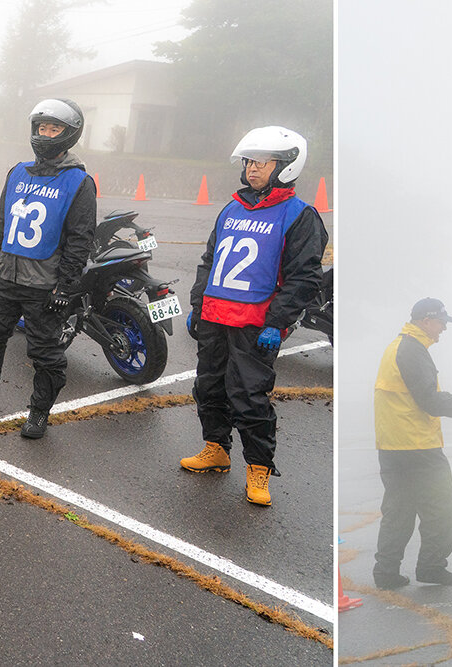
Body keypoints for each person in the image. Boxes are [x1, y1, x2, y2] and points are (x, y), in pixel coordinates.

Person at [178, 126, 329, 506]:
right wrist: (198, 304)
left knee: (249, 398)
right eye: (249, 162)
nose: (252, 169)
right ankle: (215, 449)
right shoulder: (232, 208)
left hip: (254, 325)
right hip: (215, 316)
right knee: (209, 388)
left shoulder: (299, 216)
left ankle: (259, 469)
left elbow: (304, 276)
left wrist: (278, 322)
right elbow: (210, 260)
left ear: (287, 166)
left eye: (261, 162)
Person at [0, 99, 97, 441]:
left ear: (69, 134)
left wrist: (65, 287)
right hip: (6, 275)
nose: (46, 134)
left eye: (54, 129)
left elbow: (81, 239)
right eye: (42, 128)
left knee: (45, 352)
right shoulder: (17, 172)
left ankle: (39, 411)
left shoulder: (79, 182)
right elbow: (1, 222)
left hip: (44, 283)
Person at [372, 298, 452, 588]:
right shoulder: (412, 350)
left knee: (399, 510)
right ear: (426, 320)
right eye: (442, 322)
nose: (444, 329)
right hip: (417, 445)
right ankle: (432, 566)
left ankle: (386, 571)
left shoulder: (399, 346)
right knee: (442, 507)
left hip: (392, 445)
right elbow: (429, 400)